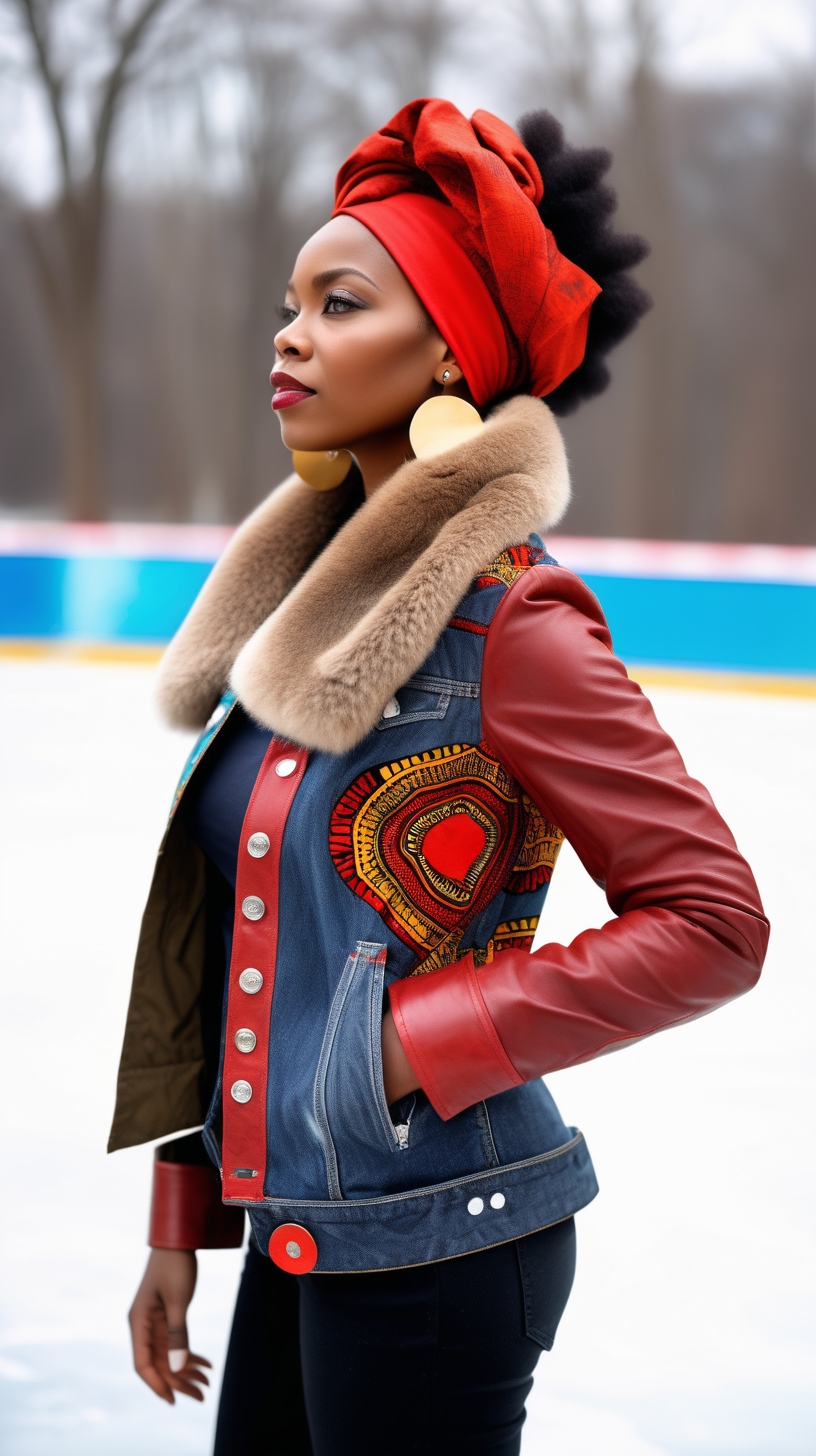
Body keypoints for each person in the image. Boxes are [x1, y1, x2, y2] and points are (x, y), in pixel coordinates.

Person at [112, 99, 769, 1455]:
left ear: (451, 354)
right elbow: (257, 945)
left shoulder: (510, 622)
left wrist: (419, 1043)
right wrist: (186, 1216)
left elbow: (715, 925)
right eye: (289, 305)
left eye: (338, 303)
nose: (289, 335)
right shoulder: (294, 611)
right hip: (305, 1230)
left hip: (447, 1252)